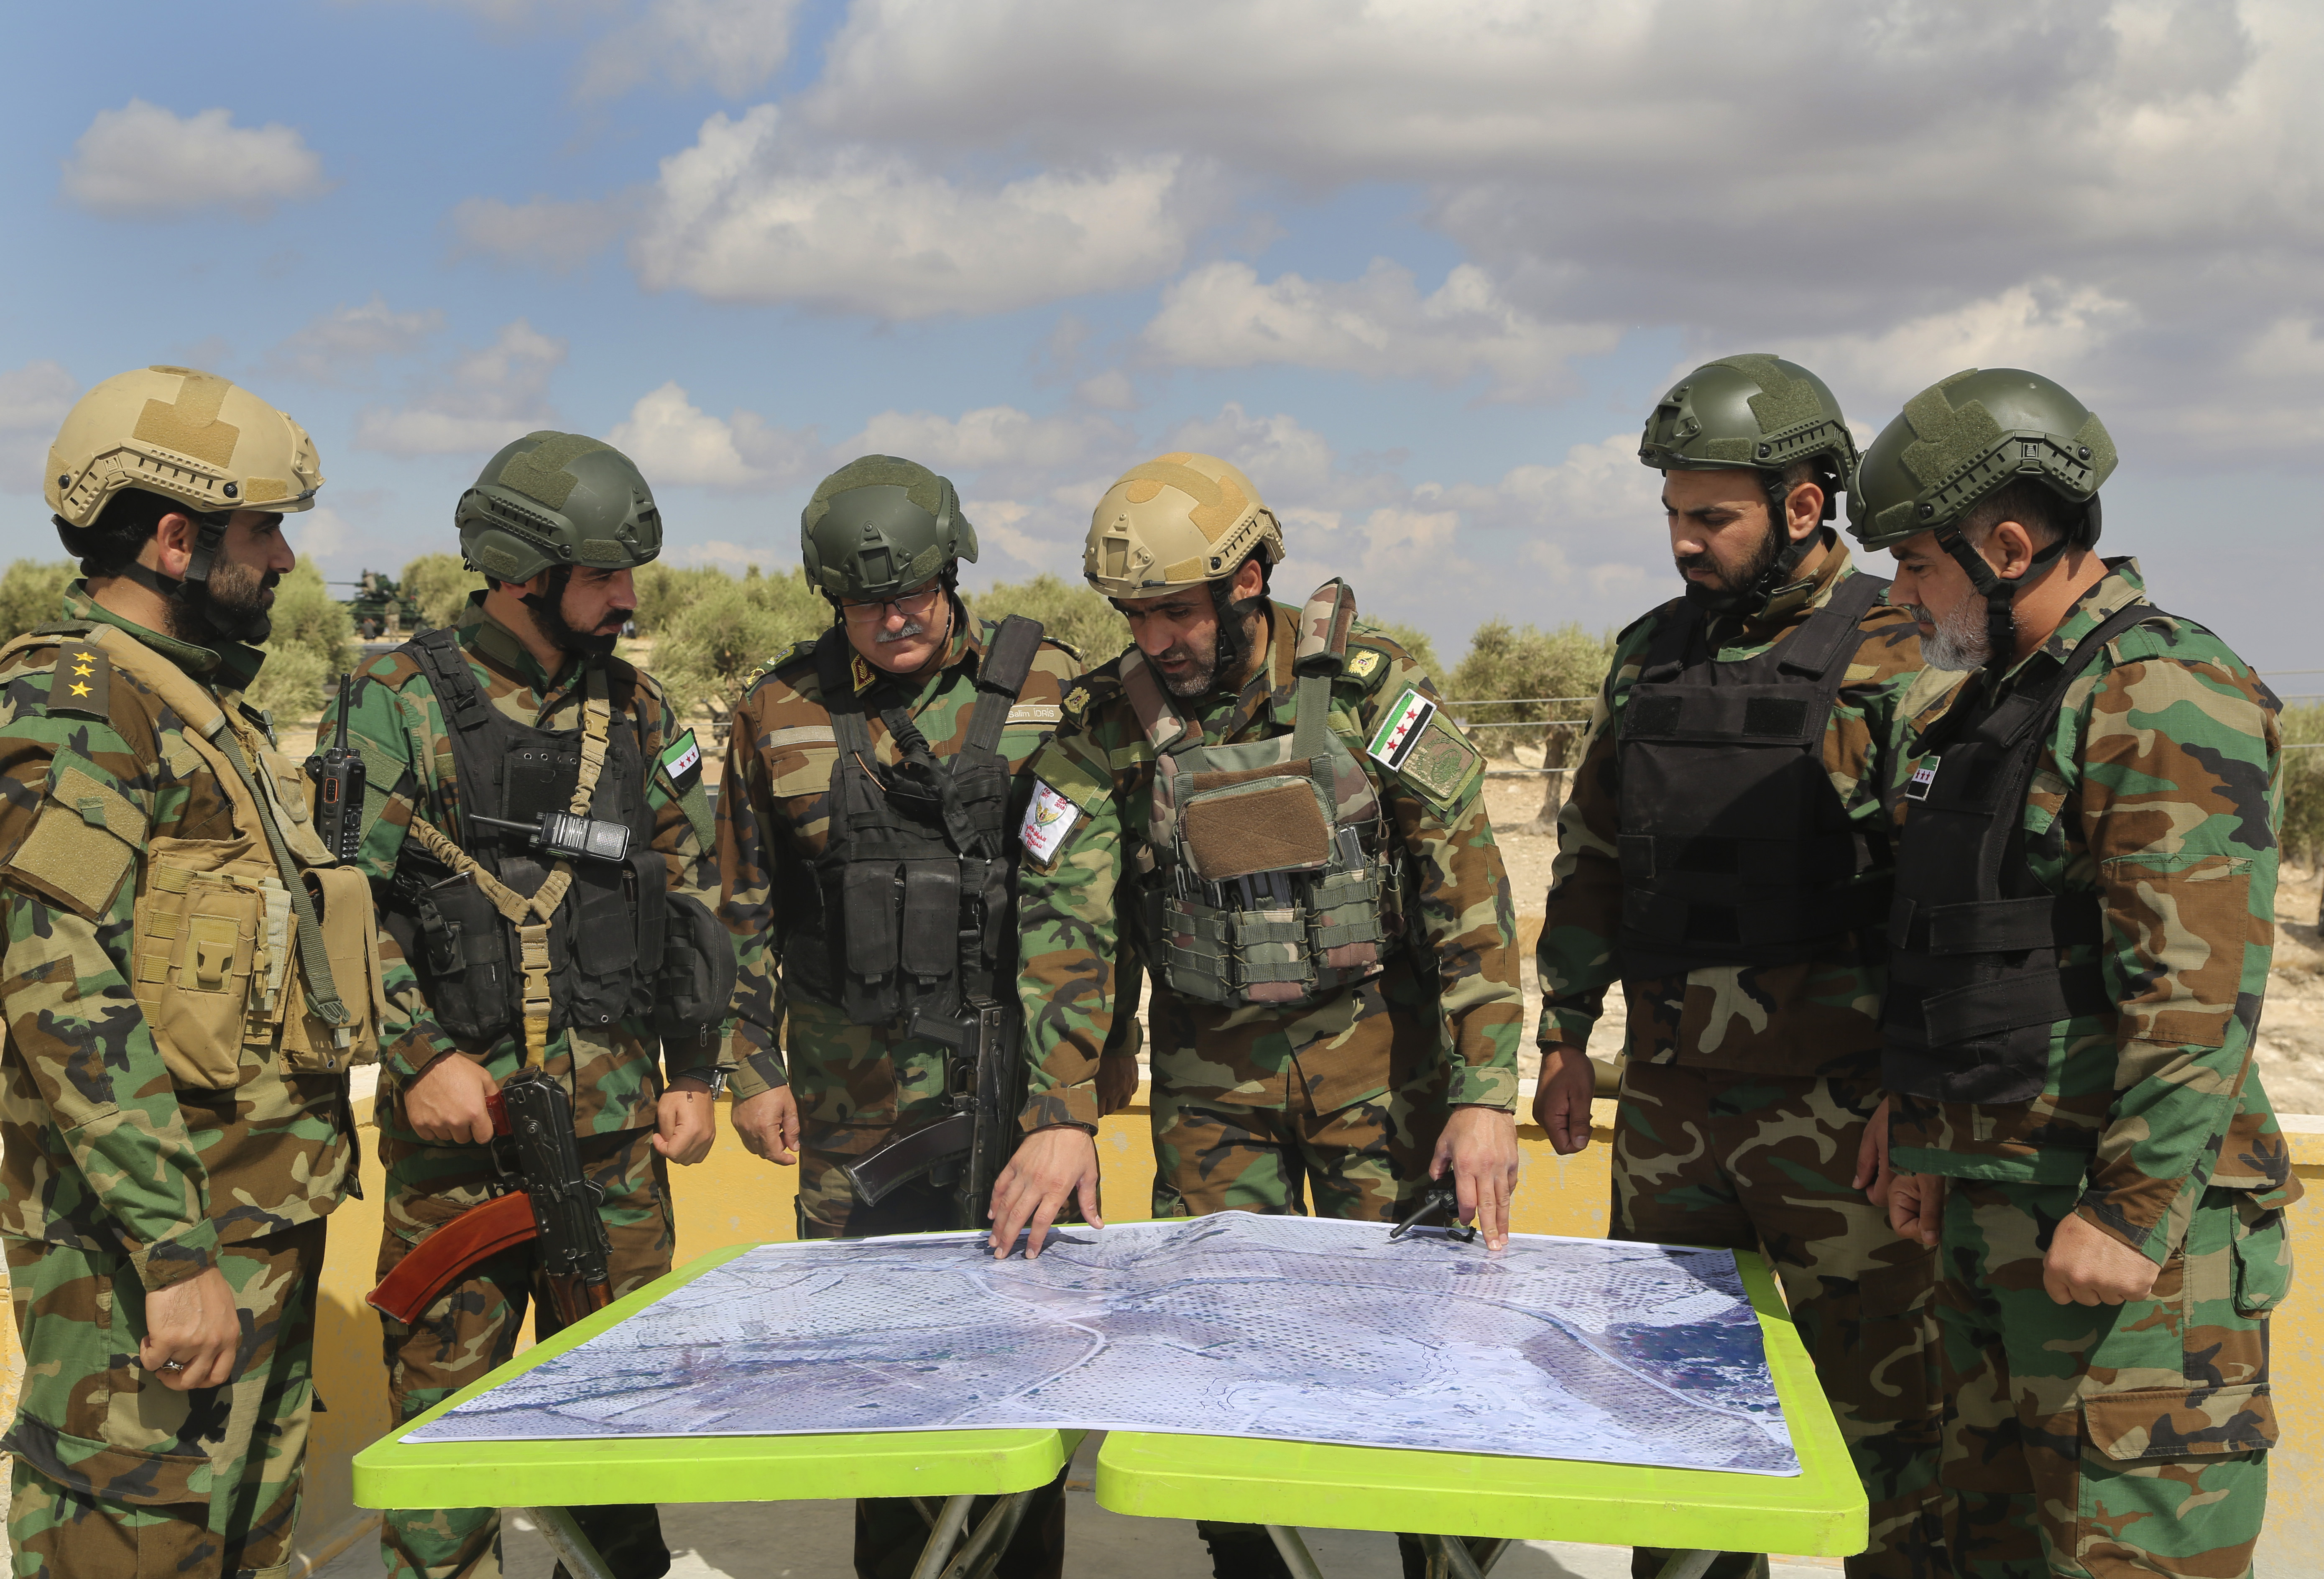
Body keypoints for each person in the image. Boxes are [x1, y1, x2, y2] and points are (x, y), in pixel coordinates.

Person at [987, 451, 1522, 1579]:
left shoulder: (1372, 694)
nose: (1155, 641)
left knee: (1435, 1362)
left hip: (1389, 1086)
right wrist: (1062, 1110)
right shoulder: (1108, 733)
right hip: (1210, 1104)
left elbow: (1468, 893)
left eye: (1176, 612)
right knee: (1215, 1366)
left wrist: (1483, 1097)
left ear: (1249, 580)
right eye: (1135, 618)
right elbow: (1067, 920)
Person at [1854, 368, 2297, 1579]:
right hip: (1999, 1213)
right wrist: (1934, 1134)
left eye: (1917, 567)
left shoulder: (2160, 692)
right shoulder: (1993, 709)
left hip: (2131, 1261)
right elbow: (1971, 946)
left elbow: (2197, 994)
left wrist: (2132, 1212)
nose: (1900, 596)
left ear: (2007, 546)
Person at [1530, 355, 1943, 1578]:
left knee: (1886, 1448)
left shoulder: (1903, 647)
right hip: (1670, 1115)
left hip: (1843, 1122)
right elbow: (1595, 853)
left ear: (1806, 506)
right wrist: (1563, 1035)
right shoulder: (1647, 656)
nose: (1684, 544)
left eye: (1711, 517)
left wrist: (1914, 1095)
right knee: (1675, 1434)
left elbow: (1943, 899)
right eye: (1672, 515)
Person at [0, 365, 383, 1574]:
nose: (279, 561)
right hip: (149, 1268)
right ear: (177, 539)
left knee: (240, 1550)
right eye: (263, 530)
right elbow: (58, 989)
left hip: (253, 1235)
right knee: (135, 1547)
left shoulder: (200, 714)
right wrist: (174, 1257)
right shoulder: (80, 708)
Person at [329, 431, 732, 1579]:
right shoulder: (396, 699)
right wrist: (416, 1058)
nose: (629, 599)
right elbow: (337, 903)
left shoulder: (640, 712)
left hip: (616, 1139)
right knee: (444, 1447)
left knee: (618, 1434)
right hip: (461, 1142)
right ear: (520, 575)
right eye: (606, 578)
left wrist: (695, 1073)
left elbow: (691, 895)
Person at [717, 455, 1083, 1579]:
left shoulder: (1049, 691)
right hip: (849, 1113)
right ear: (833, 600)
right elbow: (742, 907)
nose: (896, 617)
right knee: (876, 1379)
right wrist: (749, 1068)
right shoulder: (777, 715)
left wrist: (1070, 1097)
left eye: (916, 591)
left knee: (1025, 1382)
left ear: (953, 572)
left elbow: (1090, 908)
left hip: (1011, 1101)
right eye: (869, 603)